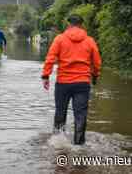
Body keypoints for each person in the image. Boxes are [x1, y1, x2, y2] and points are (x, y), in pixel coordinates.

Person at [41, 14, 102, 145]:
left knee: (60, 112)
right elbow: (97, 62)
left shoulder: (60, 39)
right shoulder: (90, 41)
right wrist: (95, 75)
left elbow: (50, 58)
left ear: (69, 24)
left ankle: (58, 142)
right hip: (82, 83)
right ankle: (79, 145)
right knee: (80, 115)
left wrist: (46, 76)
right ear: (81, 25)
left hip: (63, 83)